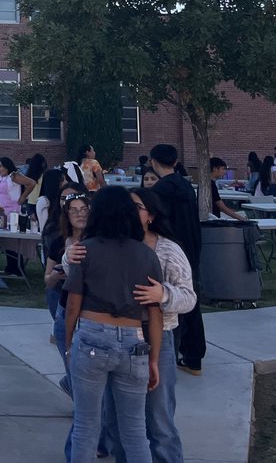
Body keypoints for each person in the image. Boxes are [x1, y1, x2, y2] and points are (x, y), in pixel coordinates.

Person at [63, 186, 163, 463]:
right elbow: (154, 312)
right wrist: (153, 358)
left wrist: (70, 343)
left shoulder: (86, 250)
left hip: (92, 335)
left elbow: (73, 303)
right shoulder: (147, 255)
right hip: (134, 341)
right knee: (134, 430)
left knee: (86, 425)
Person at [98, 187, 194, 463]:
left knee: (159, 417)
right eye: (127, 206)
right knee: (114, 417)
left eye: (137, 207)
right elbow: (74, 266)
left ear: (150, 215)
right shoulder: (109, 243)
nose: (130, 212)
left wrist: (162, 294)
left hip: (157, 340)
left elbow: (189, 297)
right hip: (115, 339)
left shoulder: (167, 250)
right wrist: (72, 256)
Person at [147, 144, 204, 377]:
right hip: (192, 247)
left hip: (171, 250)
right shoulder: (185, 185)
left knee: (171, 307)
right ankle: (194, 357)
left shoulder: (161, 189)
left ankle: (169, 356)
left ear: (153, 161)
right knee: (191, 302)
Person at [46, 190, 90, 392]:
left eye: (84, 210)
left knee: (87, 371)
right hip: (65, 306)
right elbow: (47, 280)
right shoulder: (58, 242)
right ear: (67, 215)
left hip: (89, 311)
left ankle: (72, 388)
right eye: (74, 211)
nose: (80, 215)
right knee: (71, 363)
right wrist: (57, 275)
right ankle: (73, 391)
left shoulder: (97, 241)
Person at [0, 157, 34, 275]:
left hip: (13, 212)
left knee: (13, 242)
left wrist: (22, 197)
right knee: (7, 242)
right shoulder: (2, 178)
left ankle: (18, 268)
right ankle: (10, 267)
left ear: (7, 166)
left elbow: (31, 183)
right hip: (3, 212)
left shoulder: (14, 176)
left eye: (1, 166)